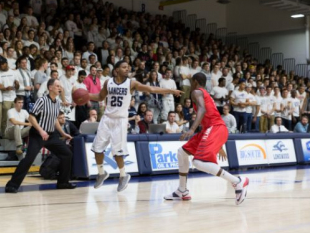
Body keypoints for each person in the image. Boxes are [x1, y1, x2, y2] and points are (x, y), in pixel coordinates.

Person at [88, 60, 182, 192]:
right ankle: (101, 173)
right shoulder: (108, 82)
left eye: (128, 67)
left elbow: (151, 89)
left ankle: (123, 175)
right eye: (124, 67)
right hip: (106, 118)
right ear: (116, 70)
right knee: (97, 149)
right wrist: (86, 95)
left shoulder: (131, 83)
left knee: (117, 152)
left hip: (120, 120)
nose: (127, 69)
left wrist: (170, 90)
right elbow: (99, 96)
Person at [164, 72, 249, 206]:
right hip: (211, 129)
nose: (191, 85)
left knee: (198, 162)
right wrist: (219, 145)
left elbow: (202, 110)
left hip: (214, 128)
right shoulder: (205, 93)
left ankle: (238, 181)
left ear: (195, 82)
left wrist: (191, 129)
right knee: (182, 152)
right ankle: (182, 190)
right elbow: (210, 113)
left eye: (192, 82)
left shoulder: (196, 92)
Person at [5, 78, 75, 193]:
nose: (60, 88)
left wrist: (63, 133)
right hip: (38, 135)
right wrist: (41, 131)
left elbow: (54, 120)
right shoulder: (42, 100)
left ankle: (63, 182)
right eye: (57, 86)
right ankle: (12, 185)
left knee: (67, 154)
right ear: (50, 88)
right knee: (28, 159)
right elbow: (31, 117)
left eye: (60, 86)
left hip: (51, 136)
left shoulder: (57, 102)